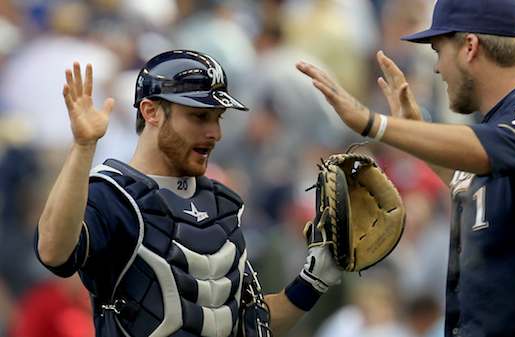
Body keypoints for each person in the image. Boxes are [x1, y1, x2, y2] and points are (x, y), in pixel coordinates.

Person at [297, 0, 515, 336]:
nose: (437, 68)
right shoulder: (499, 135)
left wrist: (374, 123)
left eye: (438, 50)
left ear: (470, 47)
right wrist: (413, 131)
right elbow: (474, 179)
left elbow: (490, 152)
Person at [35, 50, 343, 337]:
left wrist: (312, 281)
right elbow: (54, 253)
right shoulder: (113, 195)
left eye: (217, 118)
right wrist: (84, 146)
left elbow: (247, 322)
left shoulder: (223, 204)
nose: (215, 133)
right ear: (151, 111)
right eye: (199, 117)